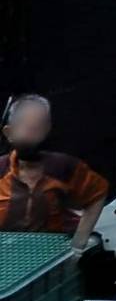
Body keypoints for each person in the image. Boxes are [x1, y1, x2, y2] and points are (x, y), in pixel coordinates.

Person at [0, 93, 108, 250]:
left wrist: (78, 245)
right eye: (27, 128)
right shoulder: (2, 169)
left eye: (39, 127)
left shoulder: (63, 167)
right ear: (9, 133)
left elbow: (98, 194)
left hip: (51, 254)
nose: (32, 135)